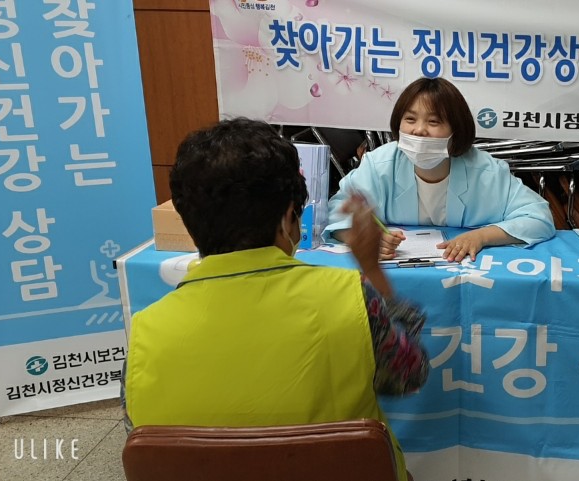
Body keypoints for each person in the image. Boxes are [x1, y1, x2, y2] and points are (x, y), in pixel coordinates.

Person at [122, 118, 428, 481]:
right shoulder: (351, 296)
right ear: (287, 220)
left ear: (189, 220)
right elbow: (409, 375)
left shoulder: (145, 331)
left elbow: (146, 444)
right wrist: (375, 275)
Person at [325, 77, 555, 262]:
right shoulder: (379, 164)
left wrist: (482, 236)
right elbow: (337, 210)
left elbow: (539, 217)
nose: (419, 130)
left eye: (433, 122)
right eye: (410, 119)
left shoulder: (486, 171)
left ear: (456, 131)